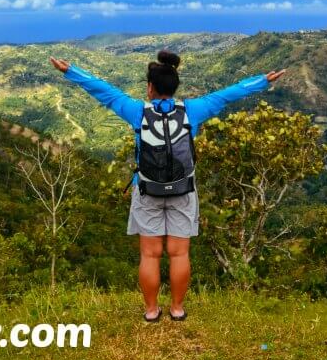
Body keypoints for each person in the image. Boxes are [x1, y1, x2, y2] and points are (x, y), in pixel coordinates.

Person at [50, 50, 286, 322]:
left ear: (150, 88)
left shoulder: (137, 112)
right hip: (183, 191)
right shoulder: (192, 111)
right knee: (179, 253)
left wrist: (71, 71)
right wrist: (263, 81)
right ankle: (177, 309)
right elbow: (228, 94)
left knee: (150, 255)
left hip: (148, 190)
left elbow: (105, 91)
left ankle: (151, 311)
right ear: (174, 88)